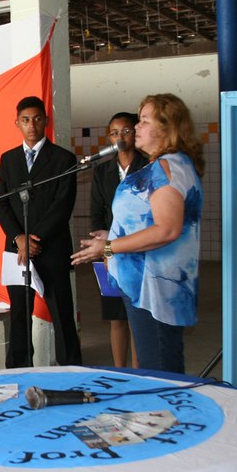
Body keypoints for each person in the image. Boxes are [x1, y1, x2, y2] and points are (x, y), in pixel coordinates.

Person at [72, 93, 203, 373]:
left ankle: (163, 416)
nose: (138, 127)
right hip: (148, 285)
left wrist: (108, 247)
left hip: (154, 288)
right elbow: (152, 219)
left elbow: (167, 229)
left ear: (167, 129)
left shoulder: (165, 168)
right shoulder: (171, 164)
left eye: (144, 120)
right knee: (159, 364)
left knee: (157, 371)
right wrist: (115, 232)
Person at [0, 96, 81, 368]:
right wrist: (18, 238)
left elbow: (62, 205)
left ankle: (71, 369)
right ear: (17, 123)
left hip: (51, 248)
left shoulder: (63, 159)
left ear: (46, 121)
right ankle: (18, 370)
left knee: (62, 313)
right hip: (17, 251)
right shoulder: (8, 159)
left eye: (37, 119)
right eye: (25, 120)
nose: (32, 125)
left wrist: (34, 238)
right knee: (19, 313)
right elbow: (2, 203)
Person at [90, 112, 148, 368]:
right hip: (111, 251)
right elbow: (96, 214)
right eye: (114, 133)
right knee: (117, 317)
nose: (120, 137)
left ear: (135, 133)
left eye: (126, 131)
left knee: (138, 317)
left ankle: (137, 370)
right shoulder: (102, 171)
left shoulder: (148, 166)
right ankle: (119, 370)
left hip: (139, 251)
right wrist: (104, 250)